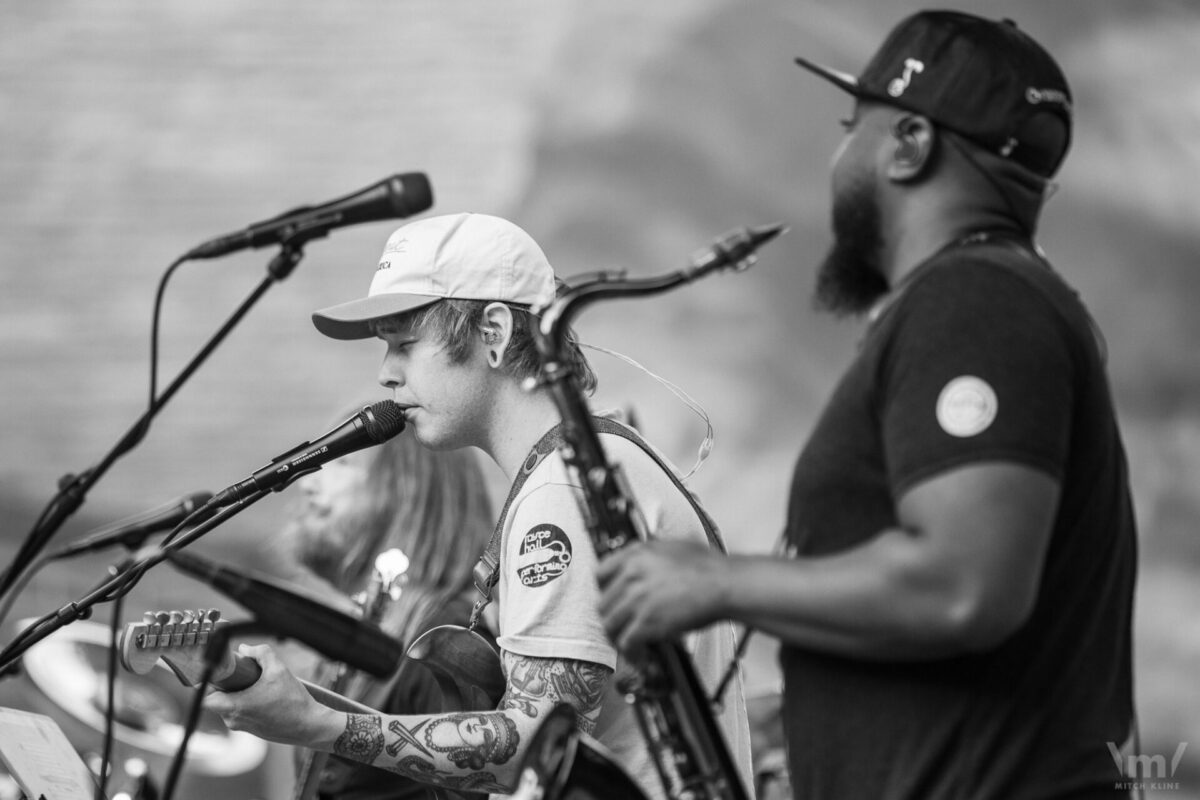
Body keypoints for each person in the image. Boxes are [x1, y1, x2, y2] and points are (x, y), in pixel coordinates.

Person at [597, 10, 1136, 799]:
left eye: (855, 126)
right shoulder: (991, 300)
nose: (838, 153)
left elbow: (963, 586)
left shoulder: (976, 302)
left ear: (911, 144)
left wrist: (715, 584)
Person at [206, 212, 754, 799]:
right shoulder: (579, 468)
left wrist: (314, 724)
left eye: (404, 345)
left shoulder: (560, 494)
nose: (386, 374)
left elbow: (530, 744)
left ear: (493, 332)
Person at [268, 402, 497, 800]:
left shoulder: (443, 642)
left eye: (341, 464)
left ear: (408, 490)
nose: (307, 484)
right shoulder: (376, 625)